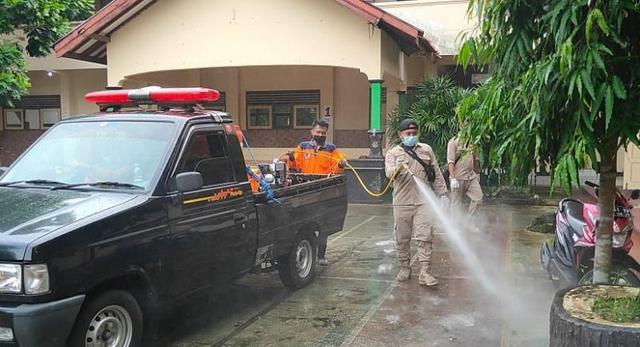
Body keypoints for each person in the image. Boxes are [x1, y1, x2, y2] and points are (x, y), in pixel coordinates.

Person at [385, 118, 448, 286]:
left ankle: (425, 272)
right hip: (402, 202)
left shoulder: (426, 150)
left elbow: (436, 173)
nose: (412, 136)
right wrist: (397, 167)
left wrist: (443, 193)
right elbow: (388, 173)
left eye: (414, 133)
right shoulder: (393, 153)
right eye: (408, 134)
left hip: (423, 202)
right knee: (402, 237)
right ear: (400, 135)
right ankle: (405, 267)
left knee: (425, 236)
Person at [279, 119, 346, 265]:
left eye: (323, 133)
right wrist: (288, 157)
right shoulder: (303, 147)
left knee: (323, 225)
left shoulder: (331, 149)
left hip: (323, 190)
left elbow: (337, 165)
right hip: (305, 189)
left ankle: (321, 256)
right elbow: (293, 163)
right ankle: (307, 250)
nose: (320, 135)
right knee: (305, 222)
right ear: (312, 132)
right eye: (318, 132)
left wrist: (341, 164)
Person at [447, 134, 482, 216]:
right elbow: (450, 161)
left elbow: (476, 159)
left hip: (471, 176)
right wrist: (453, 178)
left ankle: (469, 222)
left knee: (478, 199)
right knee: (456, 205)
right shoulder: (453, 142)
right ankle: (455, 226)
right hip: (458, 177)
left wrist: (477, 173)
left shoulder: (473, 141)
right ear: (460, 124)